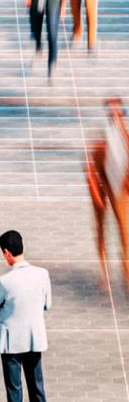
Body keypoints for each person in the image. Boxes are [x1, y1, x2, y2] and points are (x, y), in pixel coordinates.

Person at [0, 230, 51, 402]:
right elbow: (48, 304)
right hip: (33, 339)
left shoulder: (4, 281)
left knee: (14, 390)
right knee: (37, 386)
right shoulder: (42, 274)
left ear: (6, 252)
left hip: (11, 343)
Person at [86, 98, 129, 283]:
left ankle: (126, 272)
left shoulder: (124, 138)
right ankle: (104, 269)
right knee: (102, 227)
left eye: (118, 112)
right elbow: (91, 170)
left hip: (120, 190)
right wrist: (95, 193)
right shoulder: (101, 142)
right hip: (106, 188)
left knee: (124, 232)